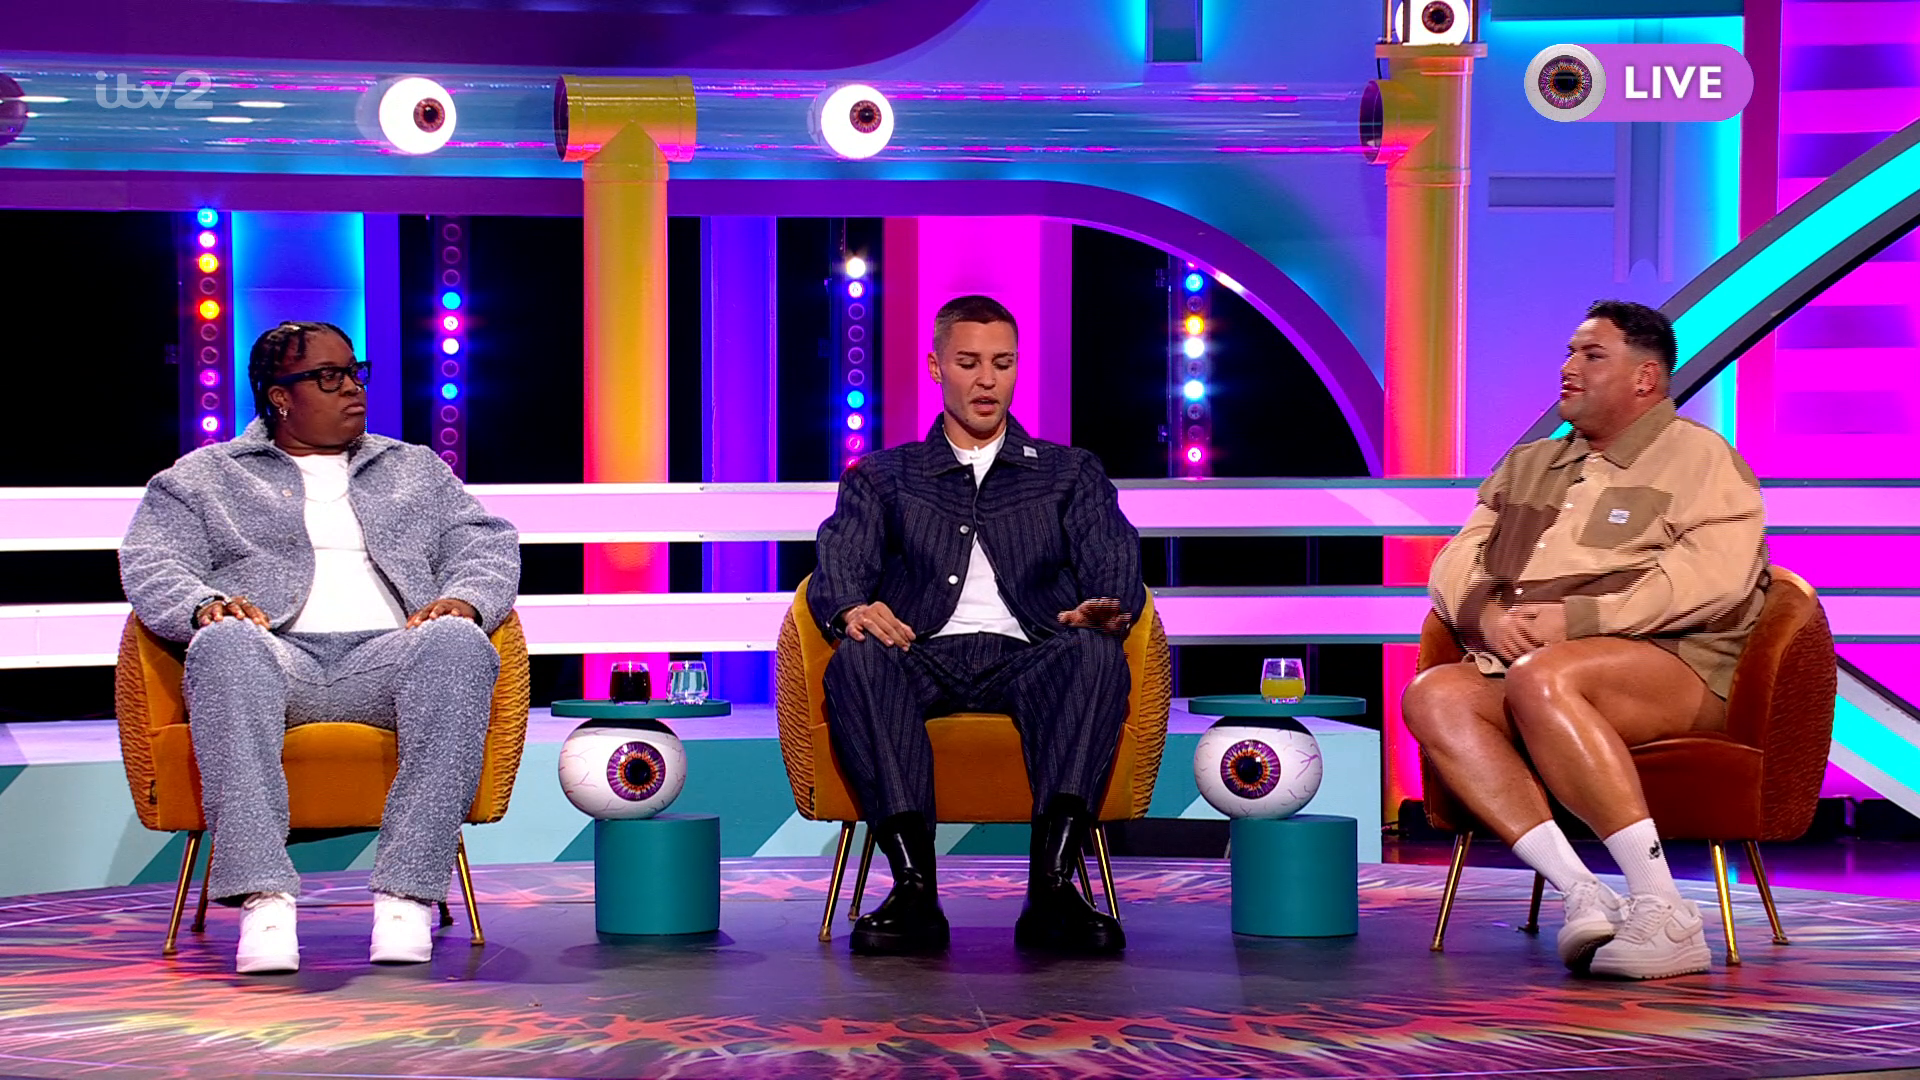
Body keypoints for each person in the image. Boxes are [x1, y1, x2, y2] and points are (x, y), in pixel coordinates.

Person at [120, 321, 520, 975]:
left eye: (355, 372)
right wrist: (203, 606)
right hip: (275, 658)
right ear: (280, 396)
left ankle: (407, 897)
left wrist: (466, 600)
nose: (352, 389)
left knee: (458, 644)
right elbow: (152, 562)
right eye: (329, 377)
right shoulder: (203, 478)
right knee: (224, 645)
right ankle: (264, 901)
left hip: (389, 658)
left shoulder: (414, 468)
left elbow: (485, 543)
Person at [1404, 300, 1768, 980]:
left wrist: (1576, 622)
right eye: (1569, 353)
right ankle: (1583, 892)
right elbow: (1456, 560)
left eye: (1592, 355)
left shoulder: (1699, 458)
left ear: (1646, 378)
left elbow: (1714, 580)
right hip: (1526, 659)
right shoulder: (1529, 463)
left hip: (1671, 662)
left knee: (1544, 675)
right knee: (1434, 695)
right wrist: (1487, 614)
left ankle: (1665, 909)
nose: (1569, 368)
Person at [810, 294, 1145, 957]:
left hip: (1033, 652)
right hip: (922, 650)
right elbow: (838, 562)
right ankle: (913, 889)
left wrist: (1105, 604)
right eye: (969, 363)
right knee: (859, 658)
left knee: (1096, 655)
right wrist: (852, 609)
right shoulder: (885, 476)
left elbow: (1113, 554)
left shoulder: (1068, 472)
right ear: (936, 367)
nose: (987, 380)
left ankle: (1052, 890)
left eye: (1002, 363)